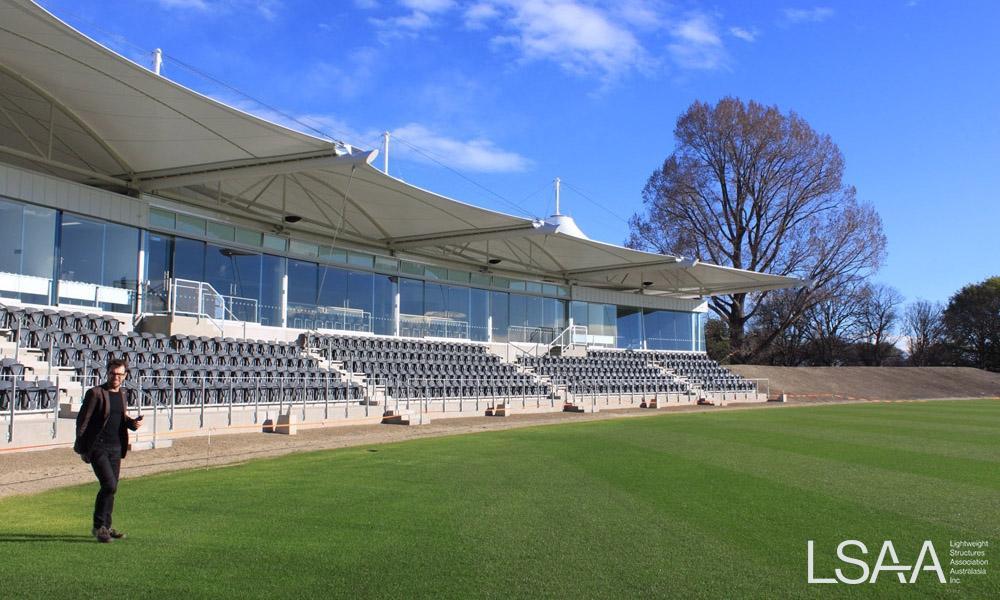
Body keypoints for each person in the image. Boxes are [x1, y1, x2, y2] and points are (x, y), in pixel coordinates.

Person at [74, 358, 143, 543]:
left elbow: (119, 418)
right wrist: (82, 449)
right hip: (97, 447)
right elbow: (83, 421)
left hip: (116, 447)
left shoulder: (121, 394)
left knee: (112, 488)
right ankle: (99, 527)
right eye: (113, 373)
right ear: (107, 373)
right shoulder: (95, 393)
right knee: (109, 485)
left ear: (125, 376)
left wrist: (132, 423)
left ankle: (107, 525)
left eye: (120, 374)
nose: (116, 377)